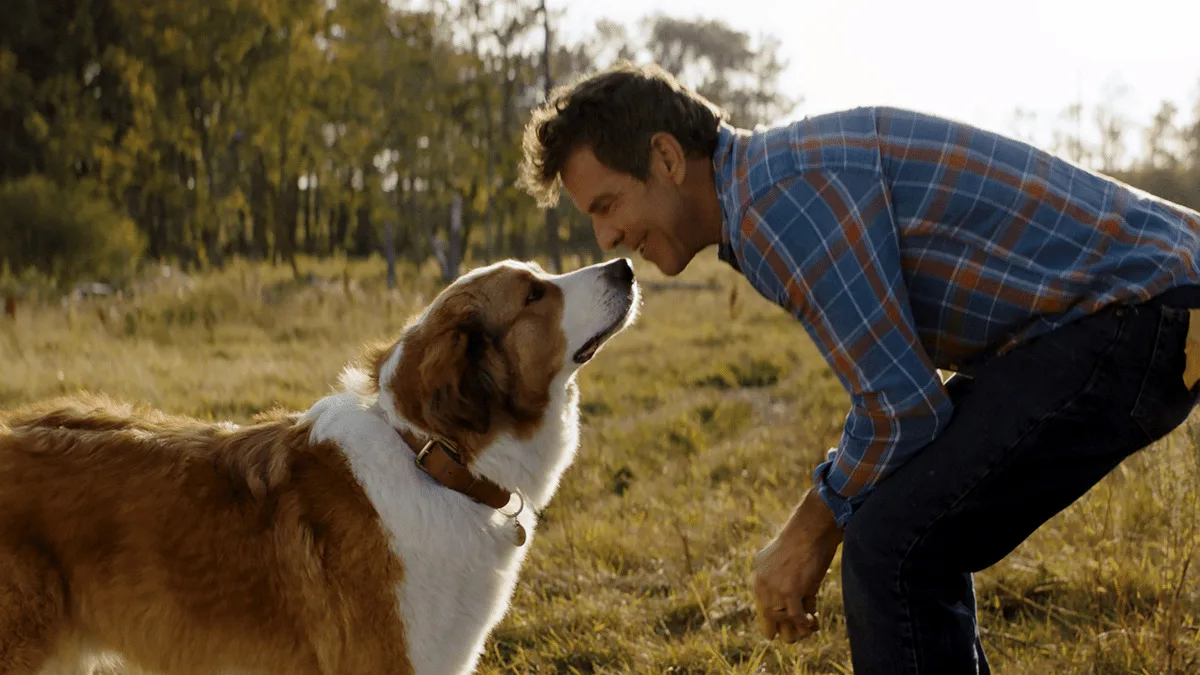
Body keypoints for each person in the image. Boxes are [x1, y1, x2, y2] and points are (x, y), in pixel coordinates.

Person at [517, 61, 1200, 673]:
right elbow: (903, 405)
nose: (606, 239)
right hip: (1142, 310)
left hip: (1143, 312)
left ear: (665, 158)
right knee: (902, 530)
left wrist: (807, 531)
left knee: (892, 545)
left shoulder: (779, 203)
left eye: (606, 206)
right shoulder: (770, 191)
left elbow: (901, 408)